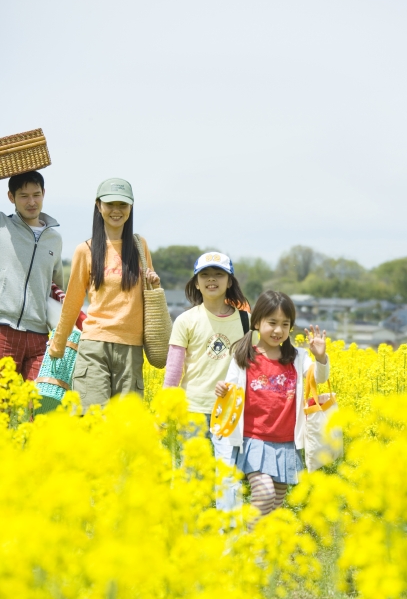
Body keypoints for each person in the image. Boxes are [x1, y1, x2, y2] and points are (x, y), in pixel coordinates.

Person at [215, 290, 329, 525]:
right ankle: (247, 546)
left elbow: (317, 380)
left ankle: (261, 554)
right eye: (272, 323)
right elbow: (230, 388)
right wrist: (222, 389)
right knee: (264, 493)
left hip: (286, 442)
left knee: (274, 506)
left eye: (285, 324)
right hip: (254, 440)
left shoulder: (298, 357)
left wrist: (320, 358)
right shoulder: (244, 356)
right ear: (257, 322)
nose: (278, 330)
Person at [48, 177, 159, 408]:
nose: (116, 211)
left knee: (125, 427)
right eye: (110, 204)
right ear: (99, 206)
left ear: (131, 208)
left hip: (131, 348)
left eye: (123, 205)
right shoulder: (85, 250)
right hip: (94, 347)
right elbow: (72, 302)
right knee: (93, 422)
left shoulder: (140, 247)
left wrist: (154, 285)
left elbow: (150, 297)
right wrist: (57, 345)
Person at [163, 251, 249, 510]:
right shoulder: (186, 320)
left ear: (230, 281)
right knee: (191, 474)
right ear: (196, 283)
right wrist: (166, 410)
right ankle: (190, 529)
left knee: (228, 475)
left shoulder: (245, 320)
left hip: (230, 410)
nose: (212, 280)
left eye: (219, 274)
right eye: (205, 275)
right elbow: (174, 371)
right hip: (192, 407)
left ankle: (228, 531)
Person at [0, 170, 63, 380]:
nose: (31, 202)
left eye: (36, 194)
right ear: (11, 197)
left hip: (39, 338)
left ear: (44, 193)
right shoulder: (2, 226)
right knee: (3, 408)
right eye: (24, 196)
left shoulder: (55, 239)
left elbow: (57, 287)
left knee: (38, 407)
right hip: (3, 331)